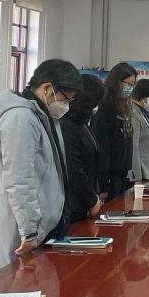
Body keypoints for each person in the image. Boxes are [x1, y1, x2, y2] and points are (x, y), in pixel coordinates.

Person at [0, 59, 82, 273]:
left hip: (37, 228)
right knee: (11, 285)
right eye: (65, 98)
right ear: (47, 89)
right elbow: (19, 179)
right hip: (18, 230)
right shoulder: (21, 118)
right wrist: (30, 230)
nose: (66, 105)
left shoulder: (44, 115)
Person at [62, 75, 105, 222]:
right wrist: (91, 200)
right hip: (74, 205)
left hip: (86, 201)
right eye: (96, 102)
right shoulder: (67, 124)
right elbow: (74, 169)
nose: (97, 107)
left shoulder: (82, 122)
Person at [92, 62, 137, 199]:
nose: (131, 88)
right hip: (110, 175)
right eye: (129, 84)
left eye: (133, 85)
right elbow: (102, 147)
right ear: (117, 82)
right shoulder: (105, 107)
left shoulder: (123, 107)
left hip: (123, 173)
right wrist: (103, 181)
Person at [129, 78, 149, 182]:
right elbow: (134, 147)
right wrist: (136, 177)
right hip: (140, 173)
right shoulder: (133, 114)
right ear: (142, 96)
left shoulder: (141, 112)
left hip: (147, 171)